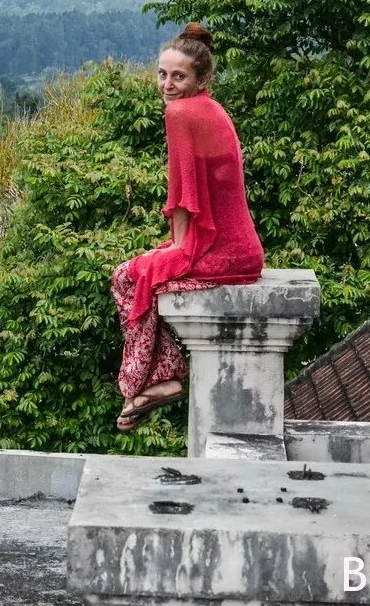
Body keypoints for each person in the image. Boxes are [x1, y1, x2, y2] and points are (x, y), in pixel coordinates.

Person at [111, 22, 264, 432]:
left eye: (178, 76)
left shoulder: (180, 113)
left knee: (129, 277)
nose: (168, 84)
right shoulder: (210, 108)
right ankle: (159, 380)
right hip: (238, 246)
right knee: (148, 267)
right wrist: (179, 246)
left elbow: (183, 194)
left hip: (223, 251)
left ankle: (157, 380)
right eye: (163, 74)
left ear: (201, 79)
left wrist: (179, 249)